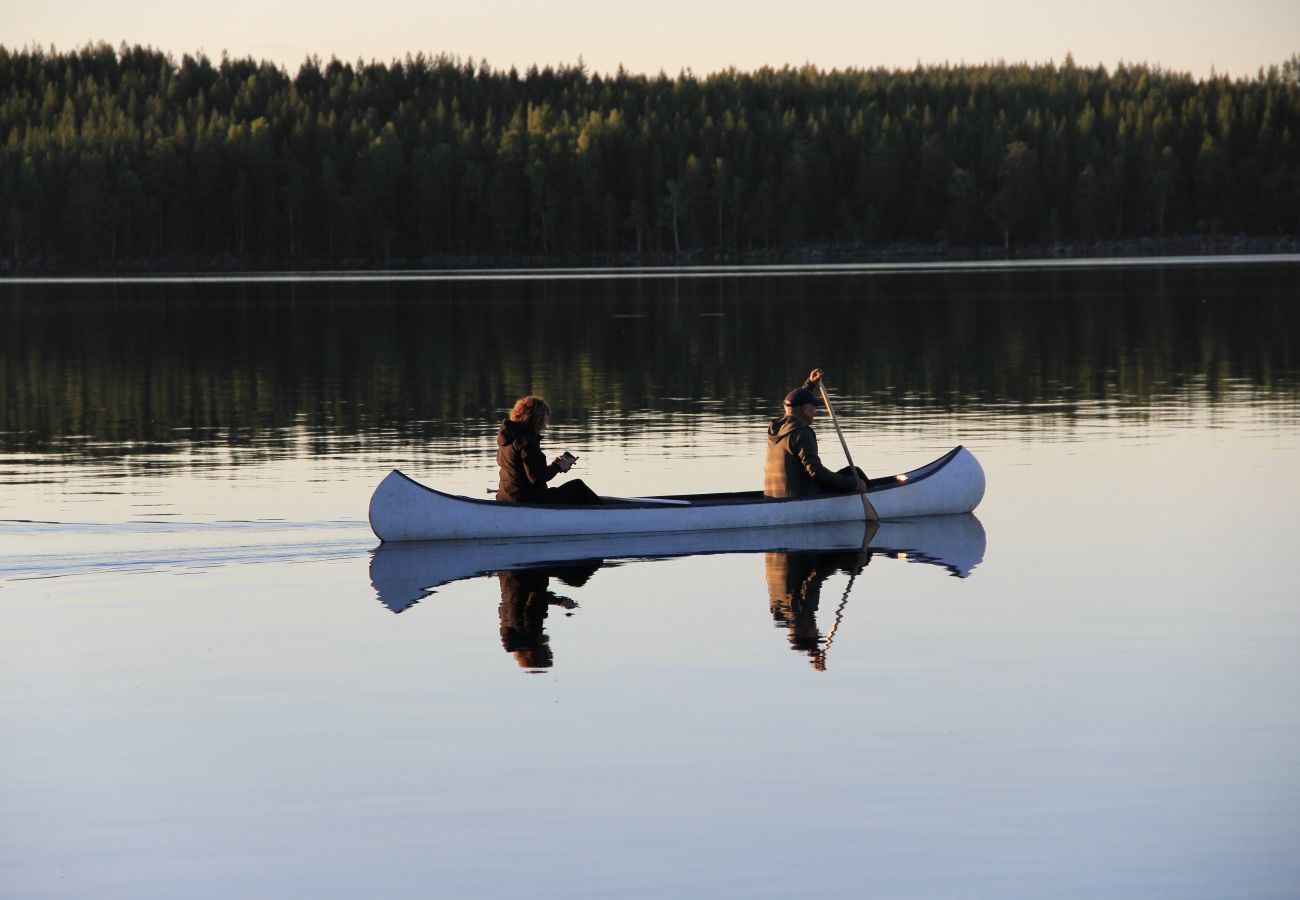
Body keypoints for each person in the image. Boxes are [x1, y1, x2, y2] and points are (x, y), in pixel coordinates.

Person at [764, 368, 868, 498]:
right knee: (854, 474)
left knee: (850, 476)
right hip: (800, 496)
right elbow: (816, 472)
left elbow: (793, 404)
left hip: (773, 496)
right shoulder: (802, 433)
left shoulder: (775, 427)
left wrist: (810, 384)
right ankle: (872, 499)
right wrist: (852, 484)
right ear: (804, 409)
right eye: (813, 406)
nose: (815, 411)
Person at [497, 395, 601, 504]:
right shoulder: (527, 441)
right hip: (528, 500)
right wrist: (558, 466)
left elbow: (526, 472)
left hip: (506, 497)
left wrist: (554, 465)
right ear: (537, 419)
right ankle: (605, 514)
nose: (546, 424)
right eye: (545, 418)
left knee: (557, 491)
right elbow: (537, 478)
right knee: (578, 486)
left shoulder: (507, 438)